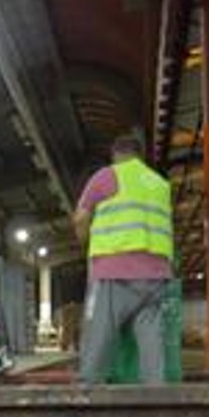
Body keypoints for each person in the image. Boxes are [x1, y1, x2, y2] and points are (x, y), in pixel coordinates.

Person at [72, 131, 174, 384]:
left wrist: (84, 242)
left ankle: (88, 400)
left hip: (113, 273)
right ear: (140, 156)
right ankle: (158, 403)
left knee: (98, 339)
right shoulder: (160, 183)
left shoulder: (107, 175)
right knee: (152, 347)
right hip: (156, 278)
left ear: (116, 155)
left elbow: (81, 217)